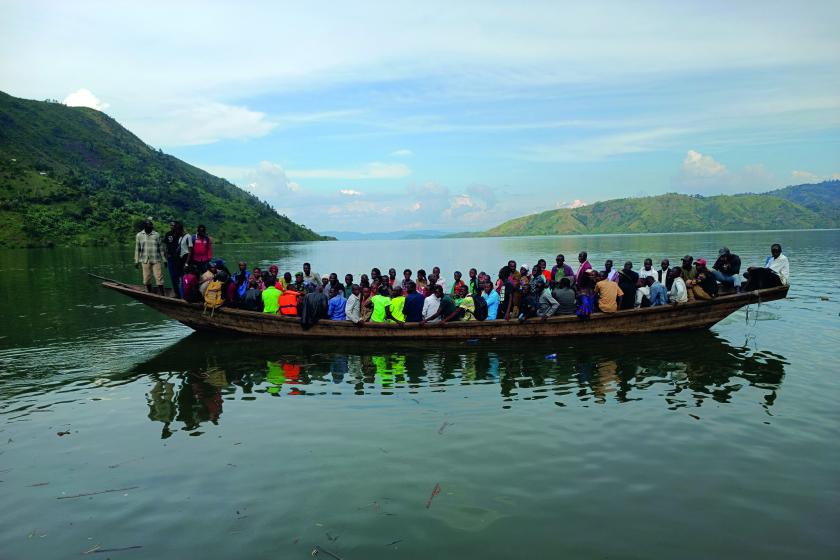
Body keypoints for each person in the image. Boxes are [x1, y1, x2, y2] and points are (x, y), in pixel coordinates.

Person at [134, 218, 167, 295]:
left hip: (156, 259)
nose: (151, 226)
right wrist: (136, 261)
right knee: (146, 279)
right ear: (145, 226)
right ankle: (149, 293)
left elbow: (161, 248)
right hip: (145, 260)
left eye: (151, 225)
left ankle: (162, 294)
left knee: (159, 277)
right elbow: (137, 249)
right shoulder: (139, 235)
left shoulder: (156, 235)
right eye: (149, 225)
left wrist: (164, 260)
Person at [163, 221, 184, 297]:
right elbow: (165, 245)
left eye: (173, 225)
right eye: (170, 225)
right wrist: (165, 255)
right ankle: (177, 293)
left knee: (182, 275)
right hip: (171, 258)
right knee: (173, 277)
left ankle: (183, 293)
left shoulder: (181, 234)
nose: (171, 226)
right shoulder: (168, 234)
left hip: (180, 258)